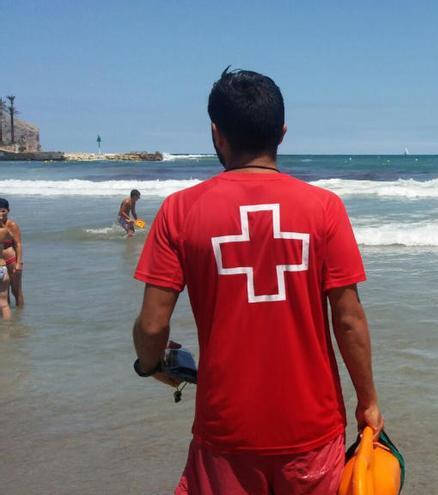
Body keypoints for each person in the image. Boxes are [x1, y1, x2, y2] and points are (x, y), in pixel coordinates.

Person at [131, 68, 383, 494]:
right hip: (312, 428)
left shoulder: (179, 211)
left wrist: (151, 364)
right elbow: (349, 320)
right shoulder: (324, 209)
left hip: (226, 429)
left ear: (216, 133)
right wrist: (368, 401)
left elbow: (152, 326)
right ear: (282, 132)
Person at [0, 198, 23, 307]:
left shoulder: (12, 225)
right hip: (1, 262)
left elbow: (18, 244)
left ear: (8, 210)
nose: (1, 213)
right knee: (4, 292)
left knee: (16, 290)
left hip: (11, 260)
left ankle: (20, 314)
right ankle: (10, 320)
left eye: (3, 210)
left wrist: (19, 263)